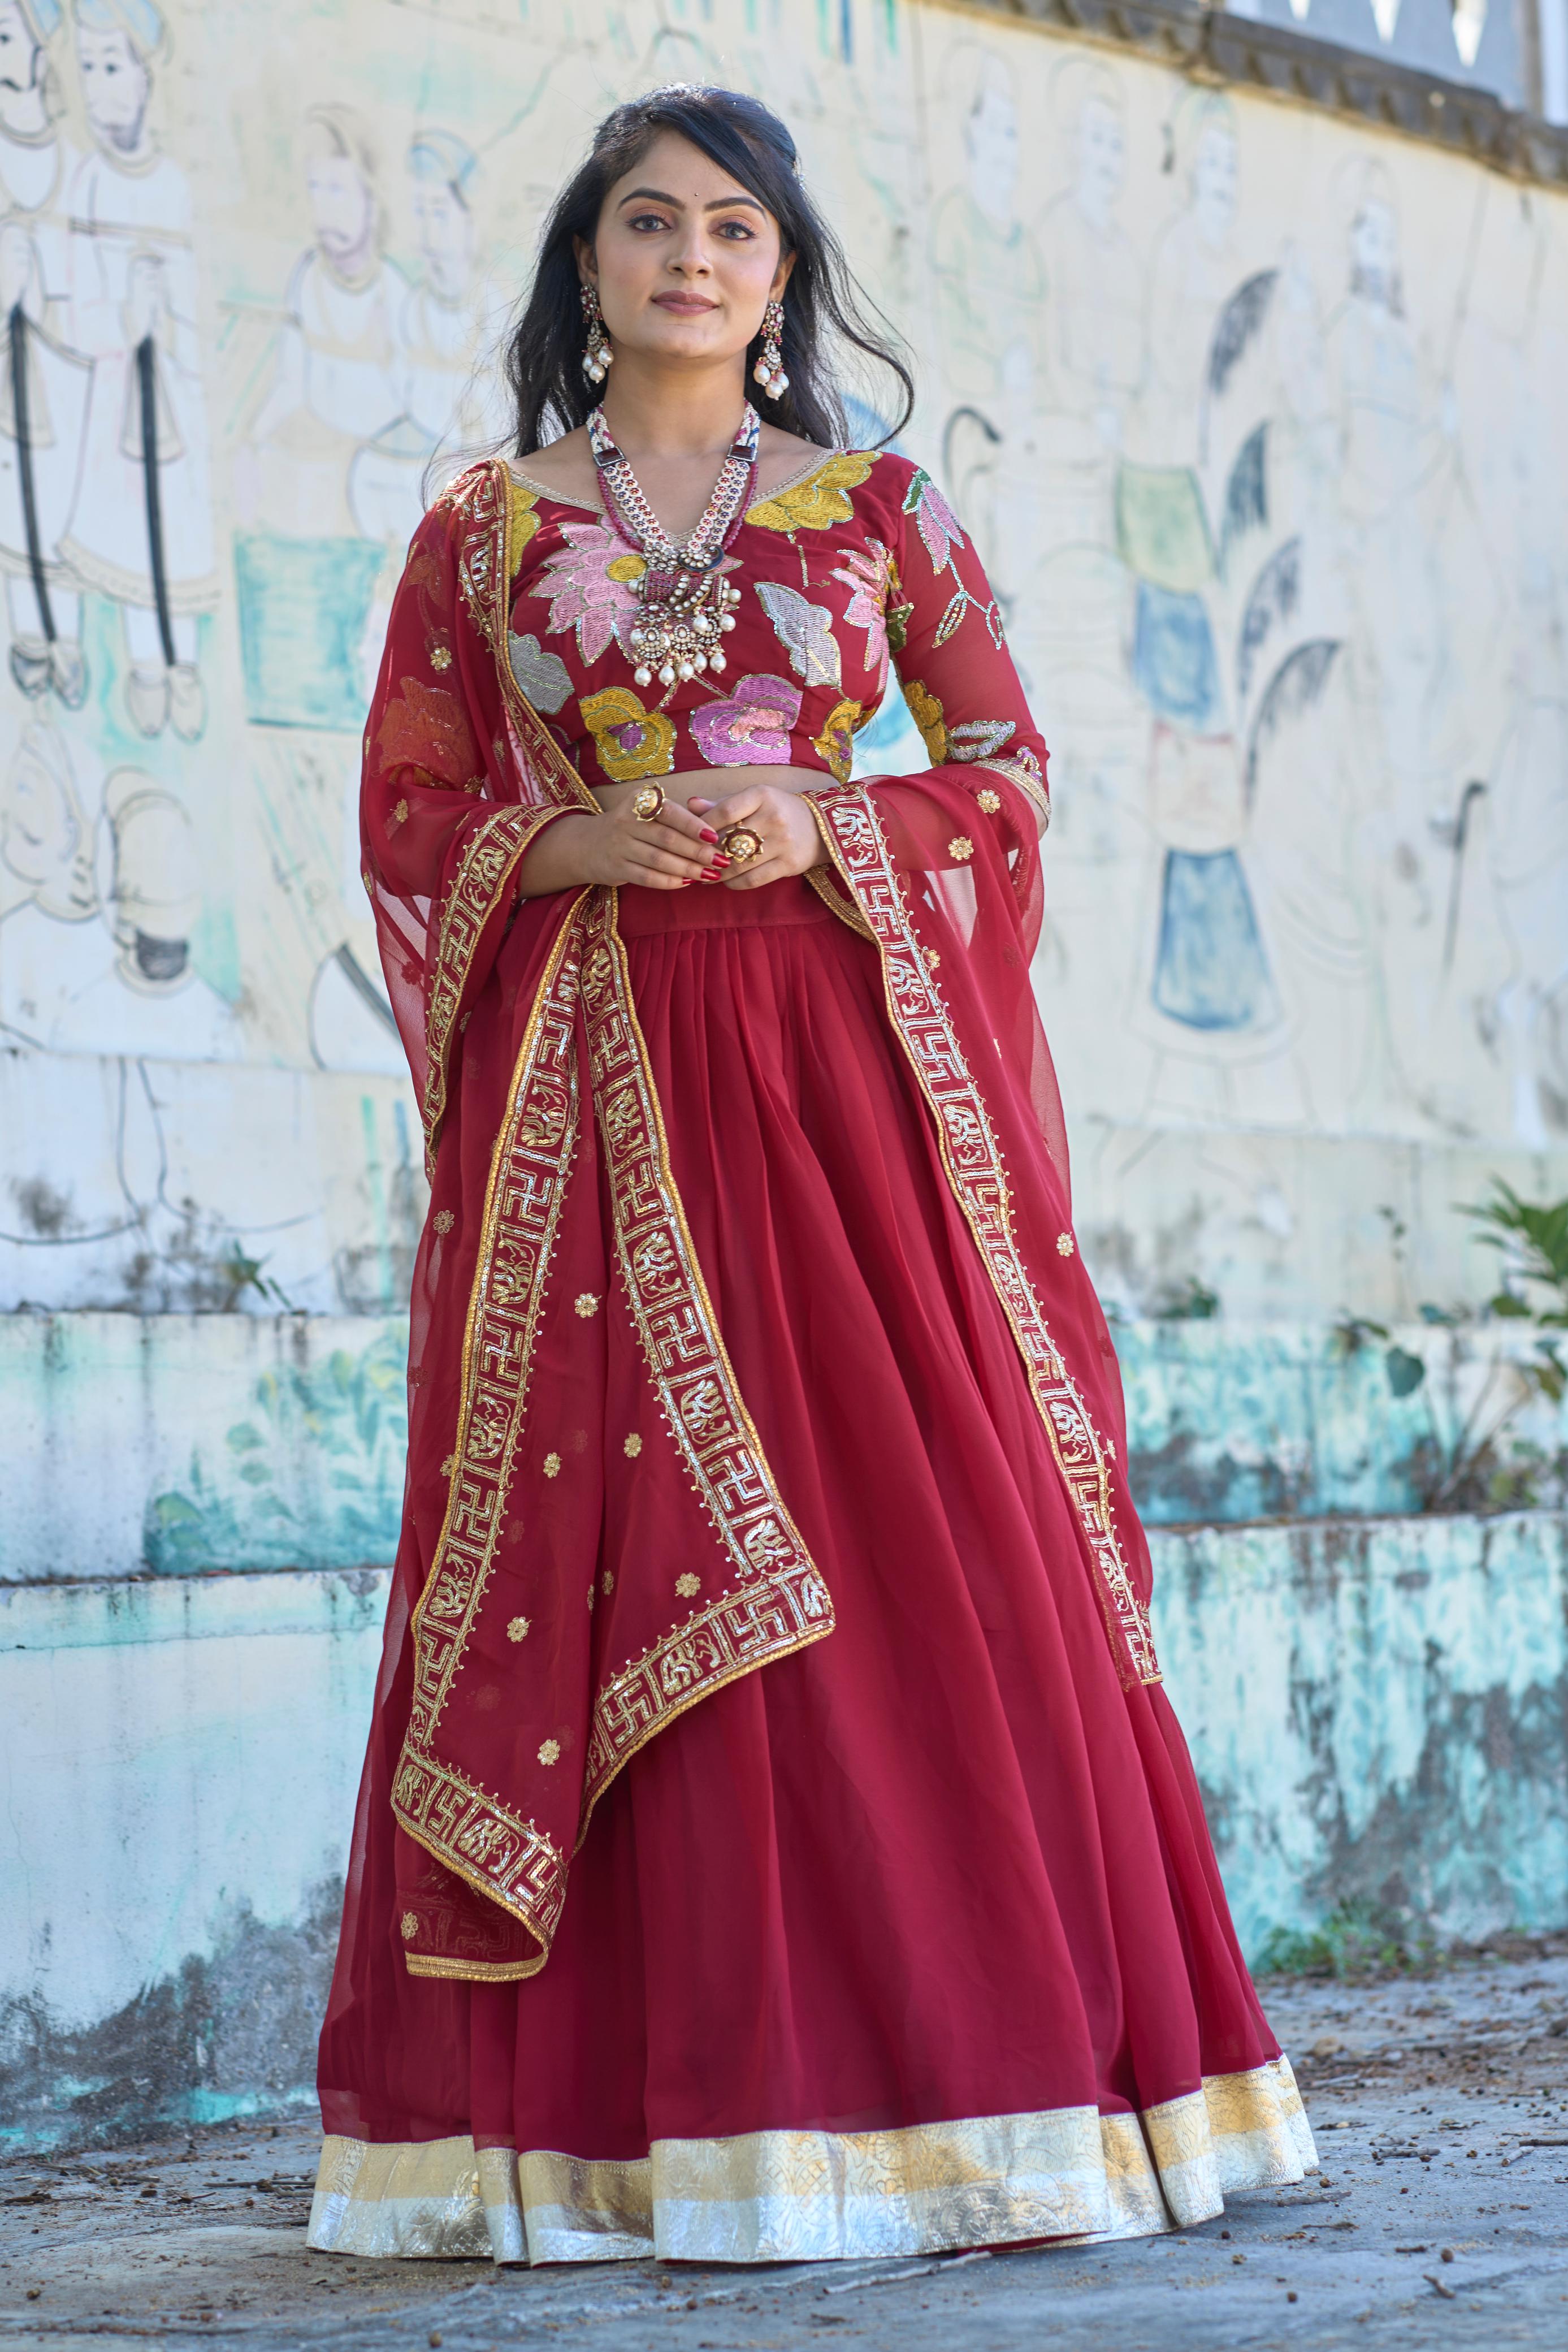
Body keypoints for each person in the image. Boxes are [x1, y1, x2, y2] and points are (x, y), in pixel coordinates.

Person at [307, 83, 1315, 2271]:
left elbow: (1005, 770)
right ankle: (620, 2136)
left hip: (844, 1086)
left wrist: (828, 831)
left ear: (781, 281)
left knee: (916, 1533)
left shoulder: (879, 513)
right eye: (650, 222)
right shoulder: (481, 530)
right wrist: (557, 836)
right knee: (620, 1537)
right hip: (596, 1091)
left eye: (736, 231)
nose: (691, 256)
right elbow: (401, 811)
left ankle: (975, 2086)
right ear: (589, 264)